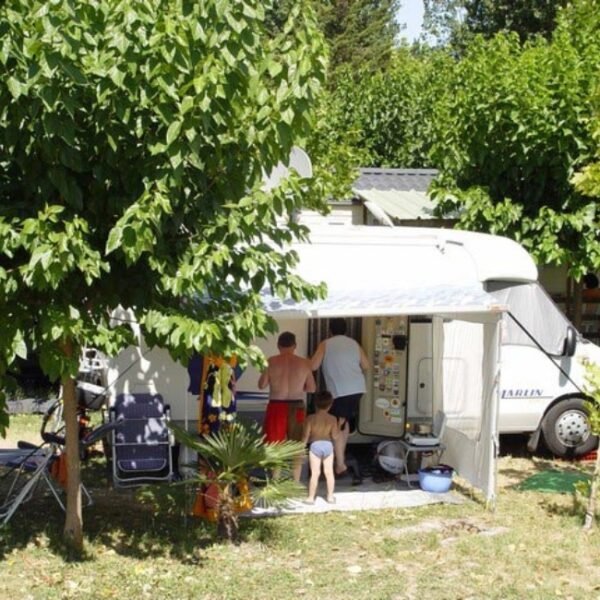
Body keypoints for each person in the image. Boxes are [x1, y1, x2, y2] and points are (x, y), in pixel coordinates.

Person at [311, 318, 369, 477]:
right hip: (357, 389)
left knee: (337, 424)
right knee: (343, 422)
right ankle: (339, 459)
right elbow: (366, 365)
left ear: (330, 330)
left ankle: (340, 464)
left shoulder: (325, 344)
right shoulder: (354, 343)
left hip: (339, 390)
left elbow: (313, 366)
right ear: (345, 330)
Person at [258, 331, 316, 481]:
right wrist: (297, 386)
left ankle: (275, 481)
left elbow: (261, 385)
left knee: (275, 445)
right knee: (297, 445)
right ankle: (295, 483)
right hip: (296, 405)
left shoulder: (271, 361)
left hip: (276, 405)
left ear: (278, 346)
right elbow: (311, 388)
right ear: (295, 345)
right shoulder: (304, 363)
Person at [302, 391, 339, 504]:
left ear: (315, 404)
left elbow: (305, 435)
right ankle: (330, 497)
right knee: (329, 472)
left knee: (315, 473)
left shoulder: (311, 418)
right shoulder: (332, 419)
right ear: (330, 405)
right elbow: (335, 436)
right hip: (328, 445)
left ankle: (311, 498)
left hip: (315, 445)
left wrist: (301, 447)